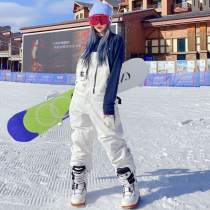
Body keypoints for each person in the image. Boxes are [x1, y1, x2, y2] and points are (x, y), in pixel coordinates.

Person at [69, 0, 140, 208]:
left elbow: (114, 75)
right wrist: (74, 101)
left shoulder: (115, 41)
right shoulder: (88, 44)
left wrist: (108, 104)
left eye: (102, 19)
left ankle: (130, 184)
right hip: (80, 102)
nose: (98, 24)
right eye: (94, 20)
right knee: (79, 140)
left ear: (108, 20)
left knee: (112, 140)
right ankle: (79, 183)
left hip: (102, 101)